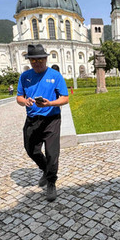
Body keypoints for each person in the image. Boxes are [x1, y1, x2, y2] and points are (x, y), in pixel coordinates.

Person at [16, 44, 69, 202]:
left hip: (51, 119)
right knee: (31, 149)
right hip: (32, 119)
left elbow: (65, 98)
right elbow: (19, 97)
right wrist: (25, 101)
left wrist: (50, 103)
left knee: (53, 154)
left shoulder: (55, 75)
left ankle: (51, 182)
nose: (37, 63)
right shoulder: (25, 77)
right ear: (30, 61)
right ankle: (46, 170)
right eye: (33, 60)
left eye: (40, 59)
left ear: (46, 59)